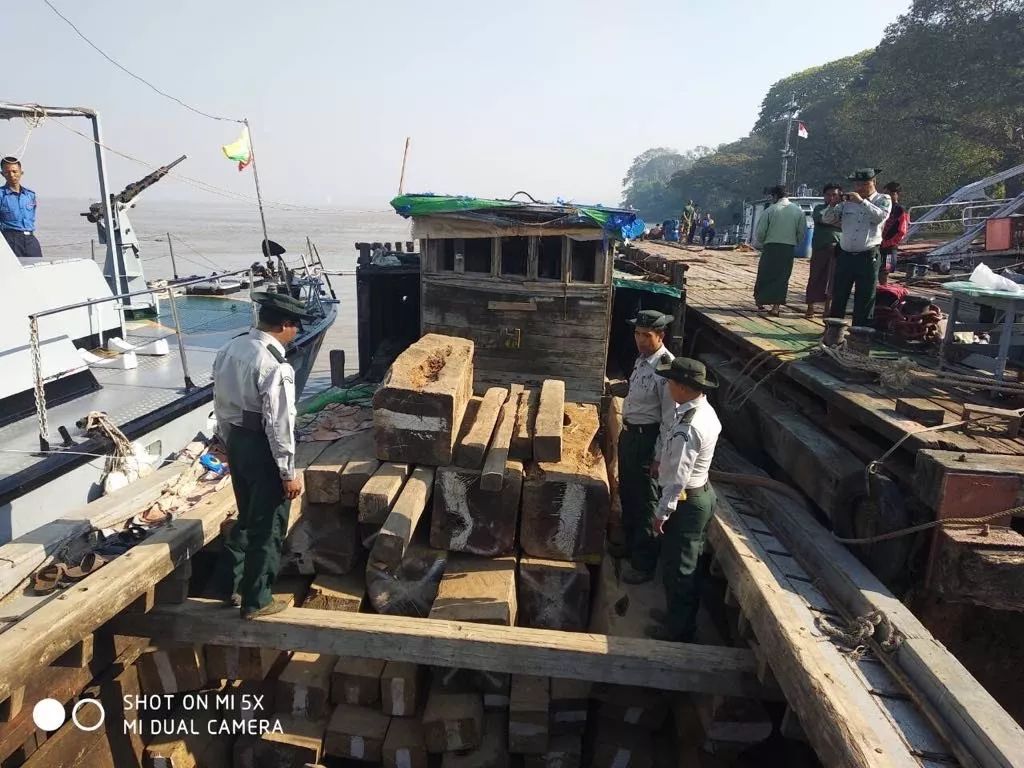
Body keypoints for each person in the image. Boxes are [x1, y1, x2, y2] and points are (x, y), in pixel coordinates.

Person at [213, 291, 313, 619]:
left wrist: (226, 441)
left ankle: (232, 586)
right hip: (262, 447)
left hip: (237, 439)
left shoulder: (232, 348)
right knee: (269, 523)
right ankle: (258, 600)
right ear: (284, 325)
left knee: (247, 516)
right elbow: (279, 423)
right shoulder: (274, 364)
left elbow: (220, 402)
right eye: (295, 326)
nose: (297, 333)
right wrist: (288, 472)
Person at [645, 357, 722, 642]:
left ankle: (678, 631)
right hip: (701, 494)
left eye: (670, 382)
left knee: (680, 569)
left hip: (687, 501)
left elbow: (677, 479)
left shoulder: (687, 429)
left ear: (681, 386)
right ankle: (677, 618)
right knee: (686, 562)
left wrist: (661, 513)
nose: (667, 387)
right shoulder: (704, 411)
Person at [615, 310, 677, 584]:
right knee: (627, 493)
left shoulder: (666, 369)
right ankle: (629, 546)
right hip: (630, 434)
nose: (640, 340)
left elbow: (669, 419)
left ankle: (643, 563)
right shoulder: (642, 361)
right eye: (637, 334)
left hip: (647, 439)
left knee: (646, 502)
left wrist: (658, 457)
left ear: (660, 336)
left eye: (646, 335)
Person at [822, 168, 892, 327]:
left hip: (867, 255)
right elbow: (827, 219)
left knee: (865, 296)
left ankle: (860, 331)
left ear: (873, 183)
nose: (859, 187)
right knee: (839, 294)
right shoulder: (847, 202)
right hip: (846, 254)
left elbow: (881, 217)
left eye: (863, 183)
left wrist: (862, 201)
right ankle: (833, 329)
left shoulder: (883, 199)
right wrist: (833, 204)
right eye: (857, 184)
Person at [753, 185, 807, 317]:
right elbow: (801, 232)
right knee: (782, 277)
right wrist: (795, 242)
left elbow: (760, 232)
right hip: (788, 248)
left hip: (771, 246)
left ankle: (760, 301)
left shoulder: (770, 210)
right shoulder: (798, 211)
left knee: (765, 273)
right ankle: (776, 307)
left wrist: (762, 242)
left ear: (775, 196)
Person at [805, 184, 843, 317]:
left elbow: (844, 223)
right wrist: (835, 221)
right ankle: (810, 306)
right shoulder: (819, 208)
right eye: (828, 194)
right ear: (824, 196)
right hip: (820, 247)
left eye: (834, 195)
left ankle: (828, 308)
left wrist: (834, 221)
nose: (831, 197)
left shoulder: (843, 209)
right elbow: (821, 219)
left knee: (833, 280)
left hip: (838, 248)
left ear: (840, 196)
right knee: (815, 276)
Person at [0, 156, 43, 259]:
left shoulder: (30, 195)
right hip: (10, 239)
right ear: (2, 174)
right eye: (7, 172)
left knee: (38, 269)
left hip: (30, 239)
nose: (11, 175)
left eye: (14, 171)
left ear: (21, 172)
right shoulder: (1, 195)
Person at [879, 181, 910, 284]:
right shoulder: (882, 208)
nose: (886, 197)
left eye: (888, 194)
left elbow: (902, 232)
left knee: (886, 269)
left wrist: (888, 242)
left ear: (896, 194)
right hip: (878, 245)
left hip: (889, 247)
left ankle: (884, 290)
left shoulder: (900, 210)